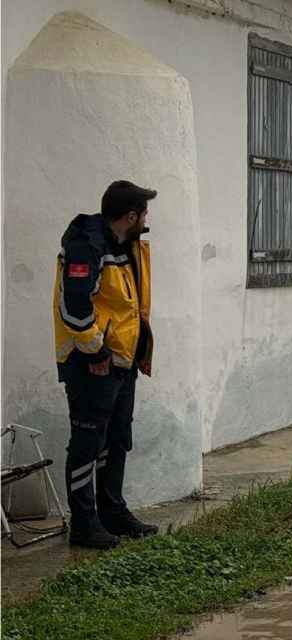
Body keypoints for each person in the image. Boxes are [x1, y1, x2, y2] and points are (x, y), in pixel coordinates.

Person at [53, 180, 161, 549]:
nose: (147, 220)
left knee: (116, 439)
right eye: (144, 213)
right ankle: (84, 525)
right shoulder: (88, 246)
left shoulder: (124, 245)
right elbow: (74, 308)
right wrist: (95, 352)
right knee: (87, 443)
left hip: (122, 362)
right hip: (92, 365)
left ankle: (112, 512)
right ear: (130, 215)